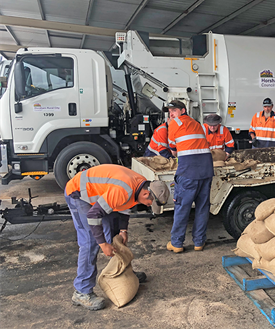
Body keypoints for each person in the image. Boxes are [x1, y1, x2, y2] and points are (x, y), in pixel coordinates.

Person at [65, 164, 169, 310]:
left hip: (102, 194)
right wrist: (102, 244)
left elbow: (125, 207)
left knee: (115, 235)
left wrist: (123, 230)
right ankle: (82, 291)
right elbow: (93, 215)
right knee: (90, 242)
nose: (148, 205)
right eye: (149, 204)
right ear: (146, 194)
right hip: (78, 194)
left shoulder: (140, 185)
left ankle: (121, 272)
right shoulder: (124, 190)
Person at [165, 100, 214, 253]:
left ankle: (177, 243)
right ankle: (199, 242)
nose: (171, 114)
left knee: (182, 207)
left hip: (188, 172)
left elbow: (173, 150)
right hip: (206, 170)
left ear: (182, 110)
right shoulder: (197, 123)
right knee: (202, 208)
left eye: (173, 110)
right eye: (170, 111)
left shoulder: (174, 123)